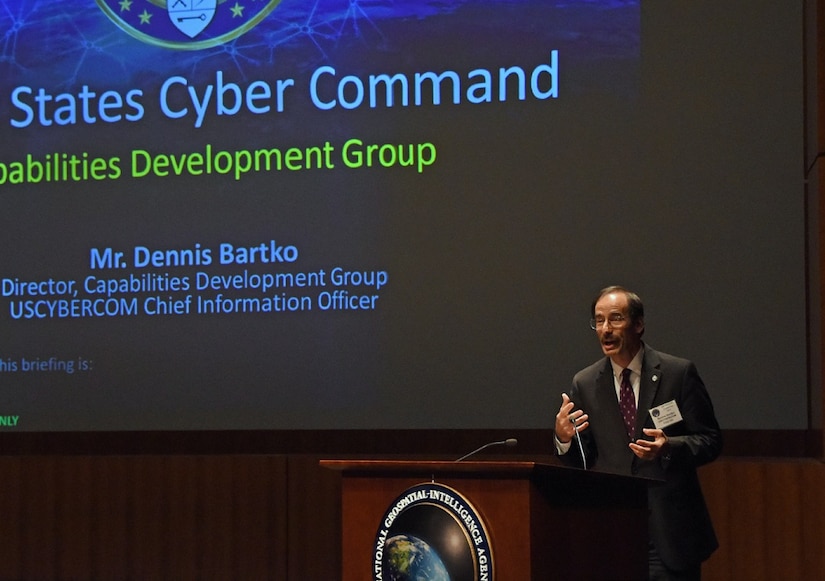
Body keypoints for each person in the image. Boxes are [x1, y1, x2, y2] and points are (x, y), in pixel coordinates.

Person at [554, 285, 722, 581]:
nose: (606, 329)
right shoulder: (585, 383)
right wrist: (565, 439)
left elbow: (710, 441)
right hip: (611, 531)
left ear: (639, 324)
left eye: (616, 319)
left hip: (668, 534)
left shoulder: (677, 373)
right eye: (599, 320)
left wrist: (669, 446)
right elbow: (582, 460)